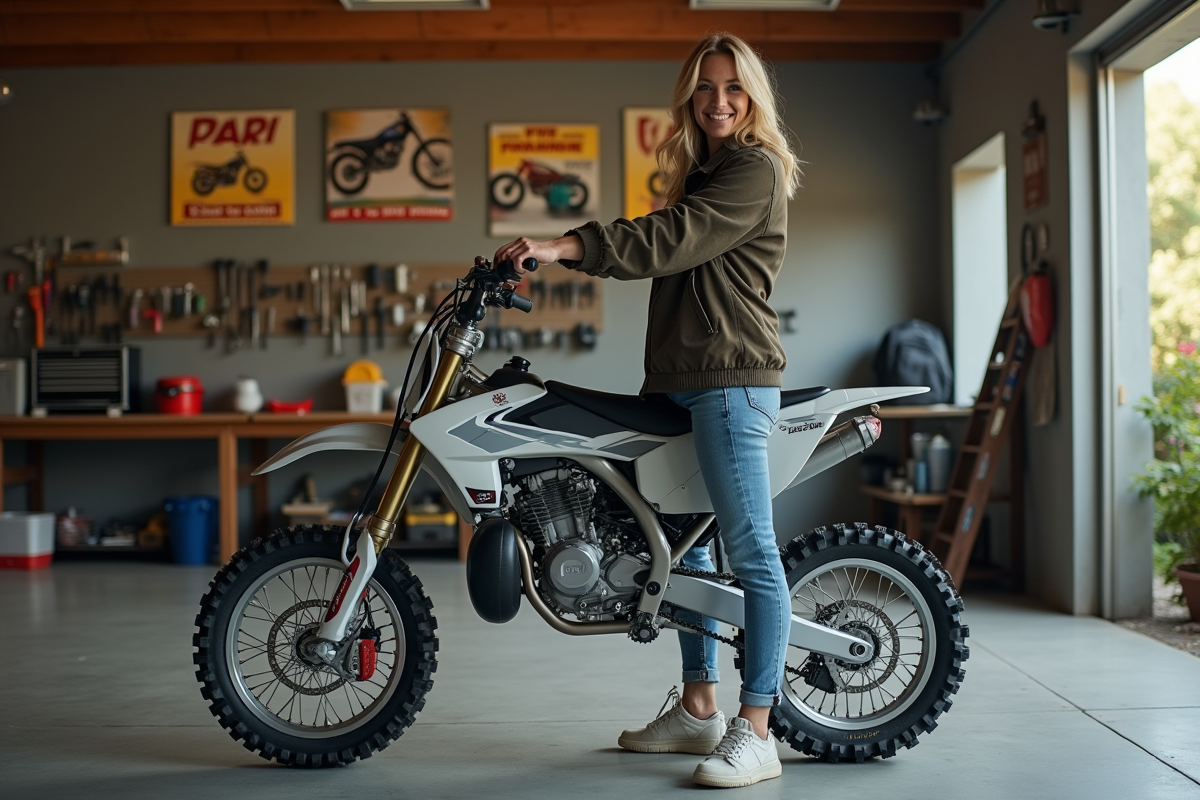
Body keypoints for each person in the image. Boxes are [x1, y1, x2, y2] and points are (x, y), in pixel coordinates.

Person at [493, 32, 801, 789]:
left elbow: (671, 241)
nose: (718, 100)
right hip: (679, 380)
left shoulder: (752, 170)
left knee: (750, 551)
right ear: (690, 99)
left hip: (728, 379)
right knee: (685, 550)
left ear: (752, 95)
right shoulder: (704, 171)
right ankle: (699, 704)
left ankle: (757, 729)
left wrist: (567, 246)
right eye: (704, 88)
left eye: (732, 86)